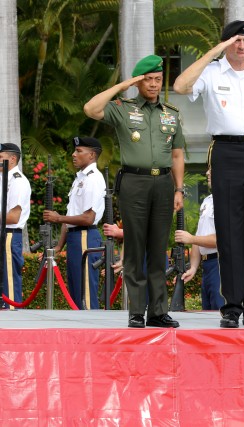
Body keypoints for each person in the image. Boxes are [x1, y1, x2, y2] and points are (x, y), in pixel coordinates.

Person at [173, 20, 244, 328]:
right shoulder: (210, 73)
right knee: (230, 231)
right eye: (236, 40)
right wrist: (213, 53)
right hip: (227, 152)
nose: (242, 46)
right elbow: (180, 87)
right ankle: (232, 306)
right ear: (225, 44)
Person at [84, 54, 185, 328]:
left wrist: (179, 189)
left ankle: (158, 312)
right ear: (139, 82)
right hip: (134, 183)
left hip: (164, 184)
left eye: (157, 80)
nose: (153, 85)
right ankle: (137, 311)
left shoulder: (171, 114)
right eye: (148, 80)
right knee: (135, 248)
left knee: (157, 248)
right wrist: (121, 86)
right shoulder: (123, 108)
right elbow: (91, 109)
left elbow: (177, 155)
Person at [44, 137, 105, 310]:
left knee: (85, 292)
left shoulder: (93, 179)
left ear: (91, 155)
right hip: (75, 236)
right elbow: (71, 215)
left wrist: (58, 218)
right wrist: (59, 246)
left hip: (85, 235)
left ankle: (92, 333)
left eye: (79, 151)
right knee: (76, 289)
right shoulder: (80, 178)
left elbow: (88, 218)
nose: (74, 154)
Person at [176, 169, 224, 310]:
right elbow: (199, 234)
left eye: (212, 168)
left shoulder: (227, 202)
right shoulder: (207, 201)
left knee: (219, 311)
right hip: (207, 266)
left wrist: (191, 239)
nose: (208, 173)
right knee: (207, 312)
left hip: (220, 264)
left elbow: (221, 239)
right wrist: (194, 267)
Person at [0, 143, 31, 309]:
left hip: (9, 235)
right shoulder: (4, 178)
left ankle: (13, 319)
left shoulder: (17, 181)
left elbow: (13, 216)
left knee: (9, 281)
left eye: (0, 157)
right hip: (3, 233)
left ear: (12, 159)